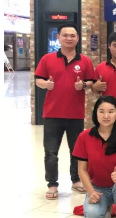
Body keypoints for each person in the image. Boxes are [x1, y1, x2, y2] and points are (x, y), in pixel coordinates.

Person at [35, 24, 95, 199]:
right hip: (52, 114)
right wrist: (46, 84)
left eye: (72, 36)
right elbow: (38, 80)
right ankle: (52, 184)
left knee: (76, 151)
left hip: (75, 114)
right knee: (51, 152)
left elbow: (91, 81)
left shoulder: (85, 61)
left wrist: (83, 85)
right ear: (59, 37)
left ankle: (76, 180)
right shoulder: (47, 59)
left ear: (77, 38)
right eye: (65, 35)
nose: (69, 38)